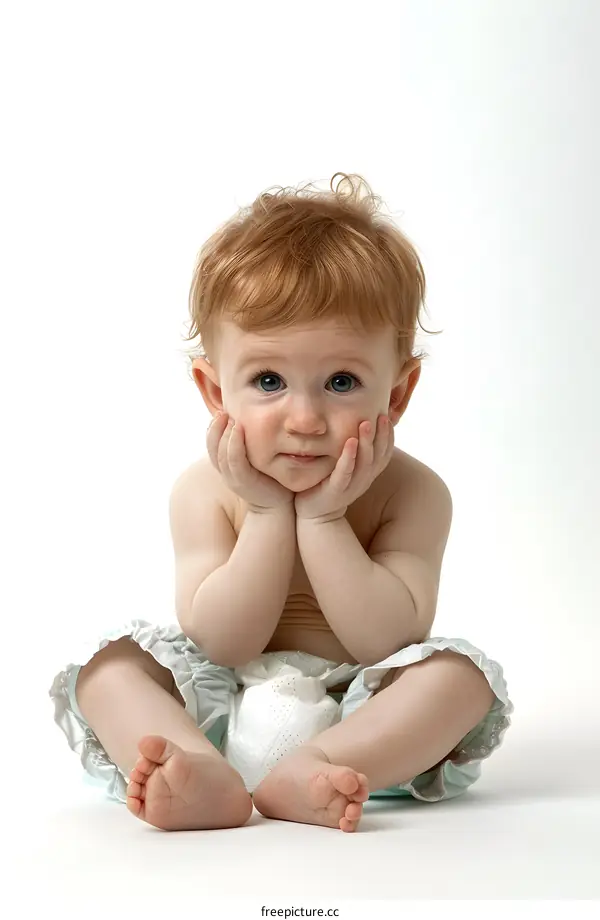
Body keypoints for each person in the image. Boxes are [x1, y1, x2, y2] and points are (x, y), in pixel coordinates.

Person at [49, 173, 513, 833]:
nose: (305, 417)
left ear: (398, 394)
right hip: (218, 708)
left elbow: (387, 639)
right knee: (109, 667)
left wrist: (323, 520)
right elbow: (222, 642)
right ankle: (191, 770)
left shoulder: (414, 493)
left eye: (341, 382)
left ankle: (317, 769)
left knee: (458, 677)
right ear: (215, 392)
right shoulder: (202, 491)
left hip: (361, 711)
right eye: (268, 380)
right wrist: (267, 515)